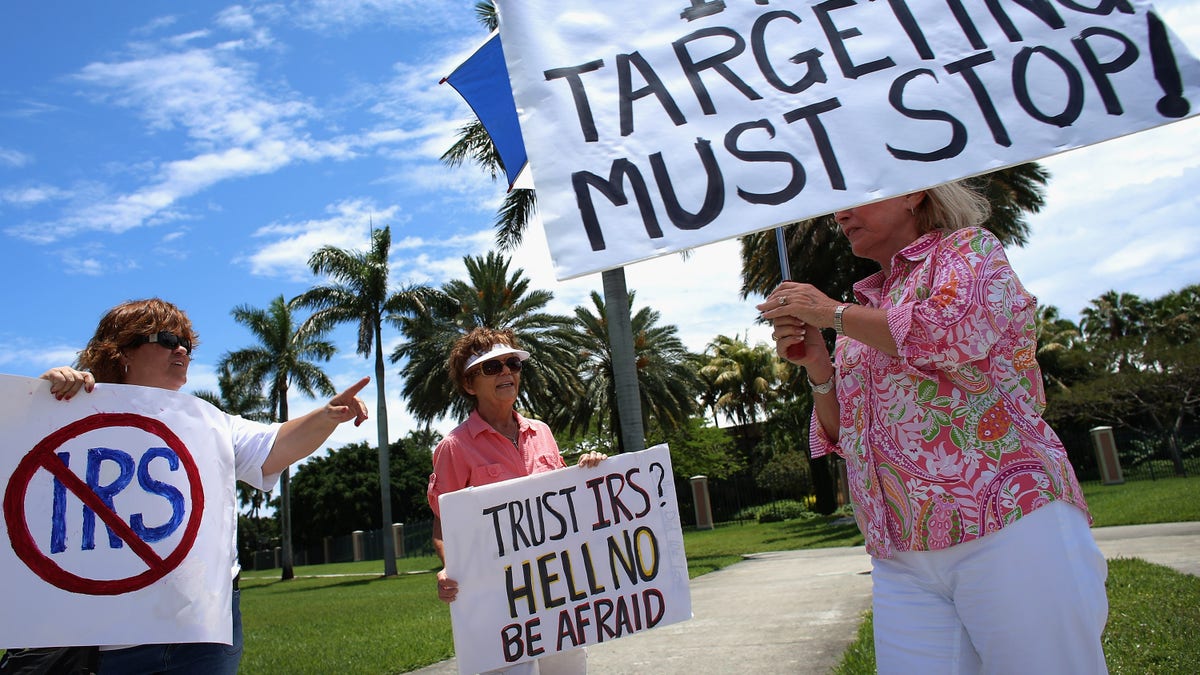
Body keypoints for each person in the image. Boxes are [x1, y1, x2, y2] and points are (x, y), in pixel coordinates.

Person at [757, 183, 1108, 673]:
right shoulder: (871, 301)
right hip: (901, 555)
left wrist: (832, 313)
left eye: (857, 194)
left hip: (1009, 525)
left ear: (913, 192)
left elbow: (951, 331)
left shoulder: (969, 249)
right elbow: (848, 437)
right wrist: (820, 369)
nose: (840, 213)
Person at [34, 297, 369, 675]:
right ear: (121, 350)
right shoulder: (69, 411)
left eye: (186, 343)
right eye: (165, 338)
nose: (181, 349)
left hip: (203, 637)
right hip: (108, 644)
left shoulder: (208, 423)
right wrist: (44, 401)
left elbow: (275, 447)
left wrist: (327, 416)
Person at [427, 327, 606, 675]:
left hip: (558, 585)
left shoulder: (543, 432)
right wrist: (451, 567)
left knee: (569, 667)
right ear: (468, 384)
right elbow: (443, 521)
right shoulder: (454, 447)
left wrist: (592, 470)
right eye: (492, 367)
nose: (507, 371)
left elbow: (567, 502)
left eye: (512, 363)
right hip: (497, 595)